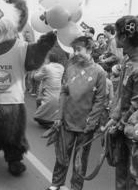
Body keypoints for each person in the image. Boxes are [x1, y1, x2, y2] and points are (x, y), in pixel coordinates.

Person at [46, 36, 106, 190]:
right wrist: (59, 117)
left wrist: (91, 123)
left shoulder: (99, 72)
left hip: (86, 126)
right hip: (67, 121)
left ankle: (76, 188)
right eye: (74, 50)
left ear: (90, 50)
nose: (76, 53)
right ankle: (56, 184)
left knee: (80, 160)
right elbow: (64, 93)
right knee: (62, 155)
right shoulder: (70, 66)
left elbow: (100, 100)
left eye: (79, 49)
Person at [107, 15, 138, 190]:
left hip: (133, 131)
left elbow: (135, 103)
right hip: (121, 127)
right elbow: (122, 96)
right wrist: (114, 117)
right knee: (120, 174)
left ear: (124, 37)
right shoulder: (127, 60)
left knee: (133, 178)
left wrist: (119, 123)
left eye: (117, 33)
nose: (114, 38)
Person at [33, 52, 64, 128]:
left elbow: (36, 77)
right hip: (57, 92)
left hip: (48, 91)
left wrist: (38, 69)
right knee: (47, 103)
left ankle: (42, 118)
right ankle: (46, 119)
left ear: (49, 59)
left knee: (39, 101)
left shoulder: (47, 67)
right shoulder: (61, 67)